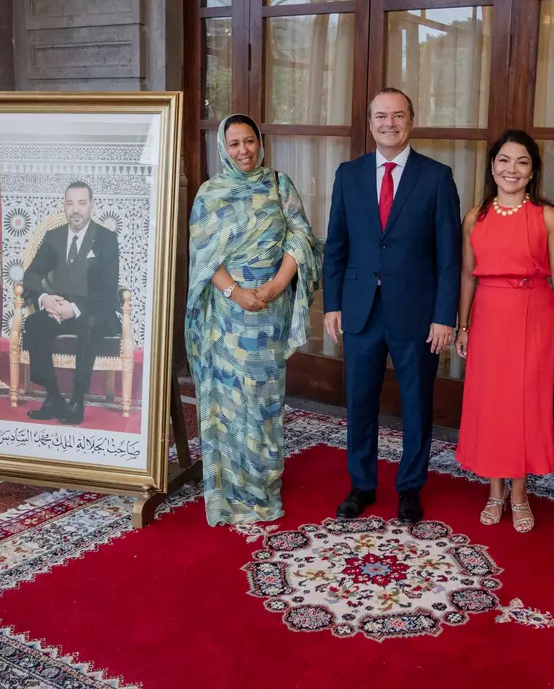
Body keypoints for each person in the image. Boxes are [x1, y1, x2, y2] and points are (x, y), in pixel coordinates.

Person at [322, 87, 462, 523]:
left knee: (416, 402)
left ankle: (409, 488)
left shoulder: (437, 177)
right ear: (370, 123)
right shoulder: (349, 174)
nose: (389, 123)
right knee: (359, 400)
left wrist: (445, 315)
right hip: (361, 308)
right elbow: (336, 245)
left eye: (398, 116)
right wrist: (331, 304)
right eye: (380, 116)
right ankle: (361, 484)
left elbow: (449, 255)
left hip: (416, 313)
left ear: (411, 121)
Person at [185, 114, 322, 526]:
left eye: (249, 141)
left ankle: (262, 487)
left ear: (260, 142)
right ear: (223, 149)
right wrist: (235, 292)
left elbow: (301, 238)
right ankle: (230, 491)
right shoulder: (211, 194)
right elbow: (205, 255)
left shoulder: (279, 185)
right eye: (234, 144)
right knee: (229, 400)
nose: (243, 150)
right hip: (228, 316)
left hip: (269, 310)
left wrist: (277, 285)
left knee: (264, 400)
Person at [454, 130, 554, 533]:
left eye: (522, 162)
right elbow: (467, 277)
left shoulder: (547, 216)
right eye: (504, 160)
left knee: (524, 405)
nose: (512, 169)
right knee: (492, 403)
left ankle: (519, 493)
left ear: (533, 170)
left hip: (534, 315)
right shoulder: (475, 216)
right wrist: (463, 324)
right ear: (492, 166)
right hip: (488, 315)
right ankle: (494, 490)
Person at [22, 180, 120, 425]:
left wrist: (74, 309)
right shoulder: (54, 236)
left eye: (82, 203)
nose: (76, 209)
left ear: (92, 206)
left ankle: (77, 400)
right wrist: (45, 300)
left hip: (94, 311)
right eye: (70, 203)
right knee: (34, 323)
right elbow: (31, 274)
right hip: (59, 309)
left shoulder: (106, 239)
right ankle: (54, 397)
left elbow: (108, 290)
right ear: (64, 207)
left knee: (90, 324)